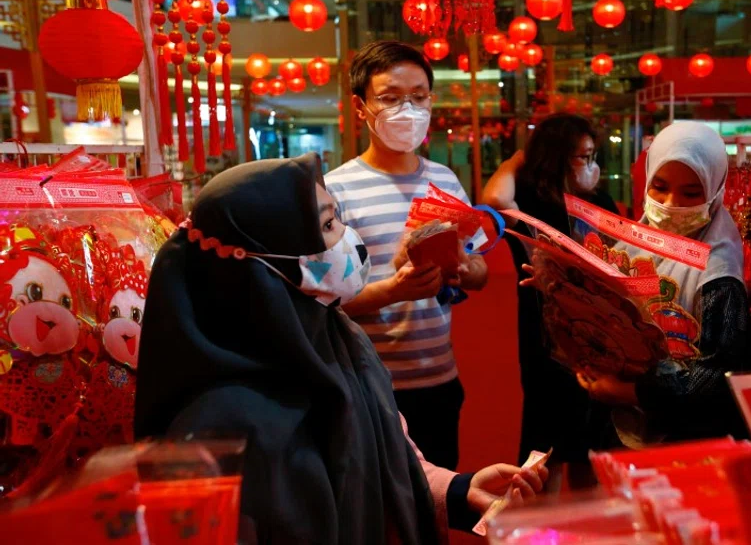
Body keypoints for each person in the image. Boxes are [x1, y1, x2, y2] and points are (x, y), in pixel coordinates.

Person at [134, 155, 546, 544]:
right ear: (265, 260)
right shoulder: (219, 425)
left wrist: (458, 491)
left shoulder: (340, 338)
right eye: (328, 225)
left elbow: (390, 457)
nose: (348, 238)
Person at [324, 41, 488, 470]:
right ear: (361, 107)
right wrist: (392, 290)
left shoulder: (445, 180)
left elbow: (480, 271)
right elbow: (323, 301)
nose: (408, 109)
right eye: (391, 98)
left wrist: (464, 268)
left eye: (418, 97)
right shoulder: (335, 190)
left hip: (438, 375)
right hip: (366, 383)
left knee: (437, 503)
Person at [568, 122, 751, 444]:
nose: (672, 203)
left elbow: (717, 378)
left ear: (716, 190)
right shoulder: (631, 246)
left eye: (691, 192)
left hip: (691, 442)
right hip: (627, 431)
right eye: (659, 186)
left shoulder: (718, 273)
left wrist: (631, 392)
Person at [482, 114, 619, 490]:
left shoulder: (599, 201)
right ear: (556, 157)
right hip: (544, 334)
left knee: (593, 435)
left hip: (598, 334)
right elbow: (493, 198)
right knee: (546, 436)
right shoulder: (530, 202)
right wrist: (521, 157)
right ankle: (540, 519)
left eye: (593, 156)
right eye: (583, 157)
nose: (593, 166)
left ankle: (589, 520)